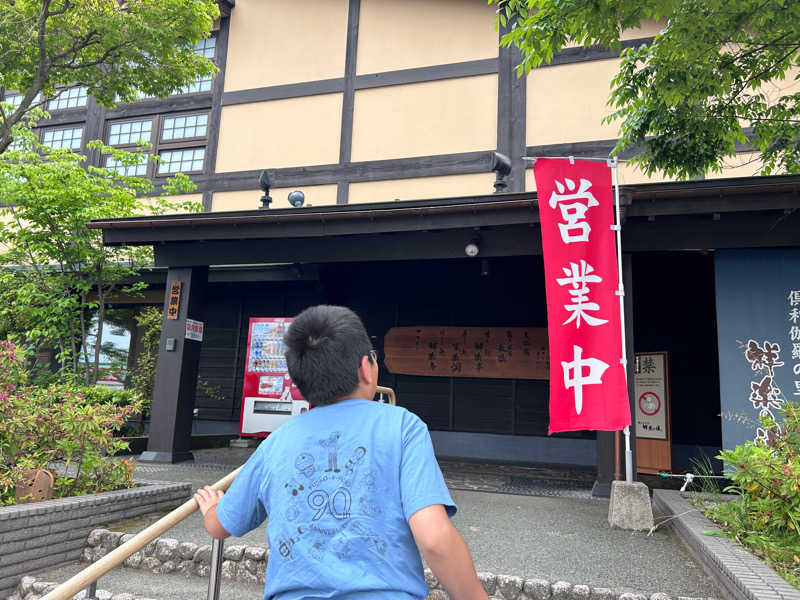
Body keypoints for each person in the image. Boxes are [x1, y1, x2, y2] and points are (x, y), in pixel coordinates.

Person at [194, 305, 487, 600]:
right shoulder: (402, 426)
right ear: (365, 367)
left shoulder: (278, 440)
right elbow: (434, 539)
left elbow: (220, 526)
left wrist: (210, 508)